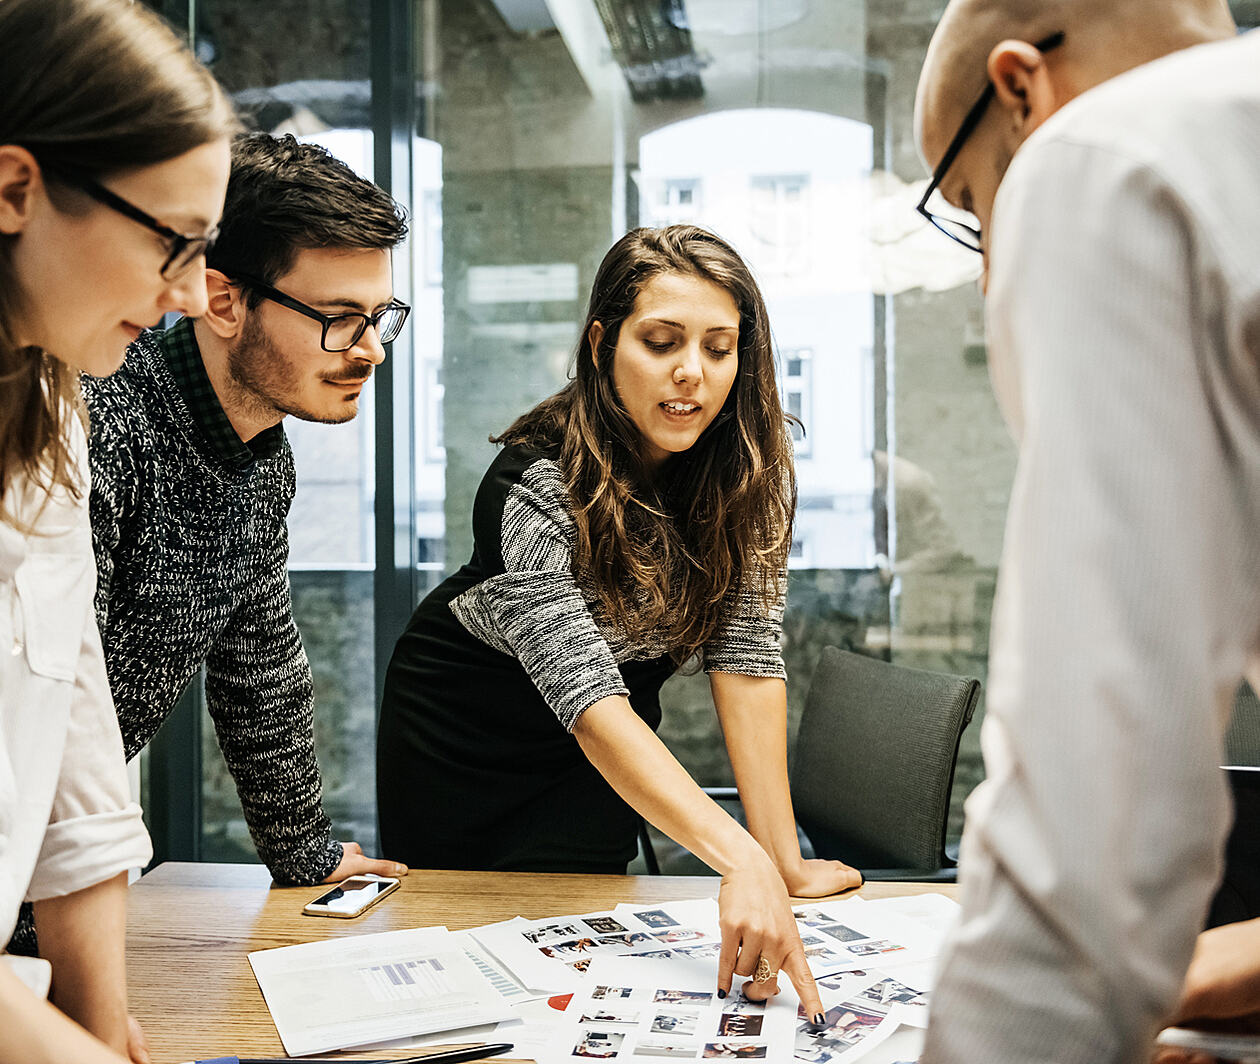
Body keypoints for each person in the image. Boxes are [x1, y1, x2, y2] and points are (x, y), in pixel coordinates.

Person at [378, 224, 858, 1015]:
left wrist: (780, 858)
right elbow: (587, 697)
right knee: (477, 980)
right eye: (661, 342)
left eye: (718, 347)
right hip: (463, 738)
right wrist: (739, 860)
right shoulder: (534, 483)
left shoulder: (747, 475)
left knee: (590, 976)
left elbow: (746, 656)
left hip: (599, 754)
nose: (691, 374)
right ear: (602, 344)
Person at [911, 0, 1259, 1060]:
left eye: (975, 210)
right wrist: (1185, 970)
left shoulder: (1100, 156)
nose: (987, 274)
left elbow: (1097, 821)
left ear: (1022, 89)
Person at [0, 0, 235, 1060]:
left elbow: (74, 717)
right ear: (15, 188)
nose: (189, 294)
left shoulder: (48, 402)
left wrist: (97, 1018)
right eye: (173, 244)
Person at [82, 133, 411, 887]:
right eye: (339, 317)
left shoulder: (262, 457)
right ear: (223, 300)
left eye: (380, 315)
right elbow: (61, 717)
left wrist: (305, 852)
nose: (371, 351)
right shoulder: (107, 427)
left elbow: (258, 665)